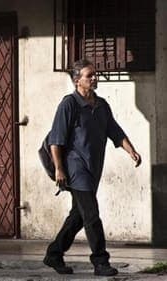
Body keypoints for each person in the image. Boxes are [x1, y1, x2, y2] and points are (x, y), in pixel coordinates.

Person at [43, 59, 141, 276]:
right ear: (78, 80)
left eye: (95, 74)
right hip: (75, 168)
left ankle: (54, 253)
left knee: (78, 215)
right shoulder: (69, 105)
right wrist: (59, 168)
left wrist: (131, 150)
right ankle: (100, 261)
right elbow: (56, 141)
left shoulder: (102, 105)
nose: (95, 78)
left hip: (93, 168)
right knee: (91, 214)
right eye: (90, 75)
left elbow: (115, 131)